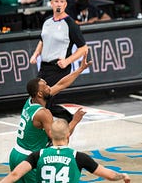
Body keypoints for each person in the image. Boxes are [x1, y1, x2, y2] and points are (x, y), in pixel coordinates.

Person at [8, 52, 92, 183]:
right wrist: (75, 120)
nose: (49, 87)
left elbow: (61, 85)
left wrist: (79, 69)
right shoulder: (43, 113)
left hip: (15, 153)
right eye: (46, 86)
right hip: (29, 157)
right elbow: (59, 137)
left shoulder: (31, 99)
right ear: (40, 94)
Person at [0, 118, 131, 183]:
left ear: (50, 133)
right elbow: (109, 175)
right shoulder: (79, 157)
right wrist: (122, 176)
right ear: (68, 134)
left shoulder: (37, 155)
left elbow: (14, 175)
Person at [30, 0, 89, 122]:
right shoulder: (47, 22)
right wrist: (35, 55)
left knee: (44, 101)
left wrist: (68, 61)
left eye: (62, 2)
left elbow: (83, 48)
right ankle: (68, 120)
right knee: (38, 100)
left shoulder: (70, 24)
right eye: (56, 1)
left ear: (66, 4)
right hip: (44, 67)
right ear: (51, 4)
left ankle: (65, 123)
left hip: (59, 68)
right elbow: (42, 40)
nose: (59, 4)